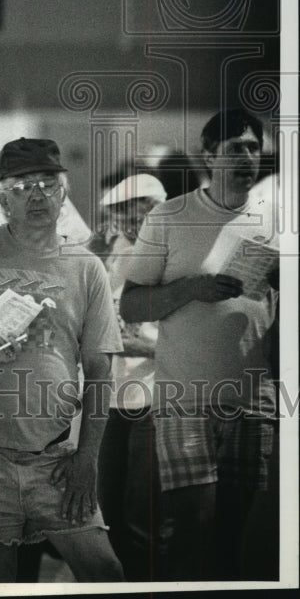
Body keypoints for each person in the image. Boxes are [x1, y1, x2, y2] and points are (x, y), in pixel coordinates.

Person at [0, 137, 125, 584]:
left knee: (105, 570)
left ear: (64, 192)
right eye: (21, 186)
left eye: (47, 183)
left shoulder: (85, 267)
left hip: (56, 455)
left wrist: (87, 458)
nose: (36, 195)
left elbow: (100, 372)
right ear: (1, 196)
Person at [120, 108, 279, 581]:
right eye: (235, 149)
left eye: (254, 148)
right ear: (208, 157)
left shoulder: (278, 219)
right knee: (193, 523)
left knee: (236, 528)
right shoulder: (170, 216)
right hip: (184, 397)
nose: (247, 158)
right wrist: (191, 288)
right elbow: (131, 306)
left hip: (253, 396)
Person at [97, 173, 169, 581]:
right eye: (122, 214)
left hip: (156, 397)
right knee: (107, 513)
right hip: (112, 396)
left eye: (140, 213)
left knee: (145, 514)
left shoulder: (176, 256)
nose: (130, 223)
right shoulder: (116, 253)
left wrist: (145, 347)